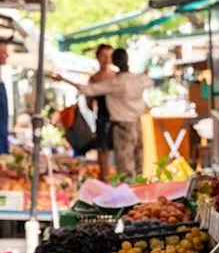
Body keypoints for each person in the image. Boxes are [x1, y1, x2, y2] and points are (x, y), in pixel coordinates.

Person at [56, 48, 150, 179]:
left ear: (114, 61)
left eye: (109, 57)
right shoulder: (138, 79)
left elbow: (88, 90)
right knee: (137, 162)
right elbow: (147, 80)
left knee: (126, 166)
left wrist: (64, 79)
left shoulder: (115, 82)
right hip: (132, 123)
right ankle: (138, 191)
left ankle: (131, 195)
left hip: (122, 125)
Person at [83, 44, 116, 179]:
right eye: (103, 56)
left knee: (118, 151)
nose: (106, 59)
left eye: (109, 56)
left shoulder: (117, 76)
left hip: (117, 118)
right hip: (102, 117)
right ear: (98, 57)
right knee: (103, 151)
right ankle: (105, 179)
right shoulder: (94, 79)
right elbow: (90, 102)